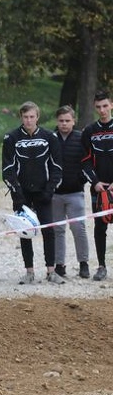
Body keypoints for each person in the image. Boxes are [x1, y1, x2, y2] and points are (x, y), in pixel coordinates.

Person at [2, 101, 64, 285]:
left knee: (48, 231)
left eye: (32, 117)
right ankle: (29, 272)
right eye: (25, 117)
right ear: (21, 117)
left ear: (37, 117)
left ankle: (51, 271)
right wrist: (17, 192)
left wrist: (50, 189)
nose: (29, 121)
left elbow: (57, 167)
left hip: (43, 192)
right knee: (25, 232)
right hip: (22, 193)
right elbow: (7, 169)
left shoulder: (50, 137)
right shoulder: (11, 138)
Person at [52, 105, 90, 278]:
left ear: (73, 121)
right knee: (58, 230)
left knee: (78, 228)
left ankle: (84, 263)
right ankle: (59, 265)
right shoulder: (50, 138)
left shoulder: (81, 138)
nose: (64, 124)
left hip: (75, 192)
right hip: (55, 194)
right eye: (61, 121)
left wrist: (81, 179)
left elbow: (88, 162)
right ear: (57, 121)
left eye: (67, 121)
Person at [80, 90, 113, 281]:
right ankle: (101, 266)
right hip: (99, 188)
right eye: (99, 107)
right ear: (94, 107)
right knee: (100, 227)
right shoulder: (89, 131)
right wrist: (95, 182)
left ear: (111, 105)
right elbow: (84, 160)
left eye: (105, 106)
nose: (102, 110)